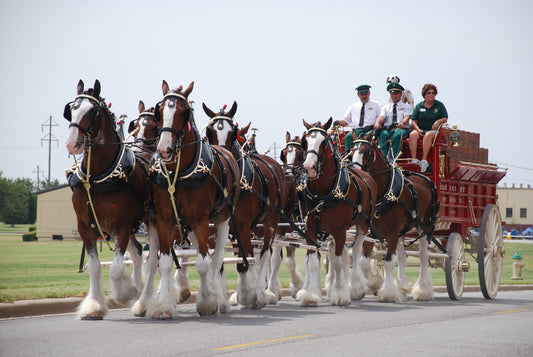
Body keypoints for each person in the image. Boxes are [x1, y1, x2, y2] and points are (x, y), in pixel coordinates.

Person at [409, 83, 448, 172]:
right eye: (429, 93)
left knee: (428, 136)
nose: (431, 95)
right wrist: (417, 129)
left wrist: (438, 121)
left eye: (433, 93)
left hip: (432, 131)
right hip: (421, 129)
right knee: (413, 135)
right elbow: (414, 120)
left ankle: (424, 160)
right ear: (424, 95)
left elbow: (445, 118)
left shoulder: (439, 105)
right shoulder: (419, 106)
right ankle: (414, 160)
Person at [333, 84, 382, 152]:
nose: (364, 96)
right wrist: (338, 122)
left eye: (366, 94)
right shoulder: (353, 107)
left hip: (371, 130)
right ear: (358, 95)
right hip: (357, 131)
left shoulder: (377, 105)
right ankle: (348, 159)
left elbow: (382, 117)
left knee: (373, 137)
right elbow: (345, 121)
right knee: (348, 137)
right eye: (362, 94)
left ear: (369, 93)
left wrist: (377, 124)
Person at [375, 82, 411, 160]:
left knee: (397, 135)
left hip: (401, 129)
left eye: (396, 93)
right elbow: (381, 117)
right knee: (383, 134)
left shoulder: (406, 106)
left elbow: (407, 117)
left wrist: (403, 123)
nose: (394, 96)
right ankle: (383, 159)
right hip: (388, 129)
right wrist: (377, 123)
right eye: (392, 94)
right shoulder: (385, 107)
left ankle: (393, 159)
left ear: (401, 94)